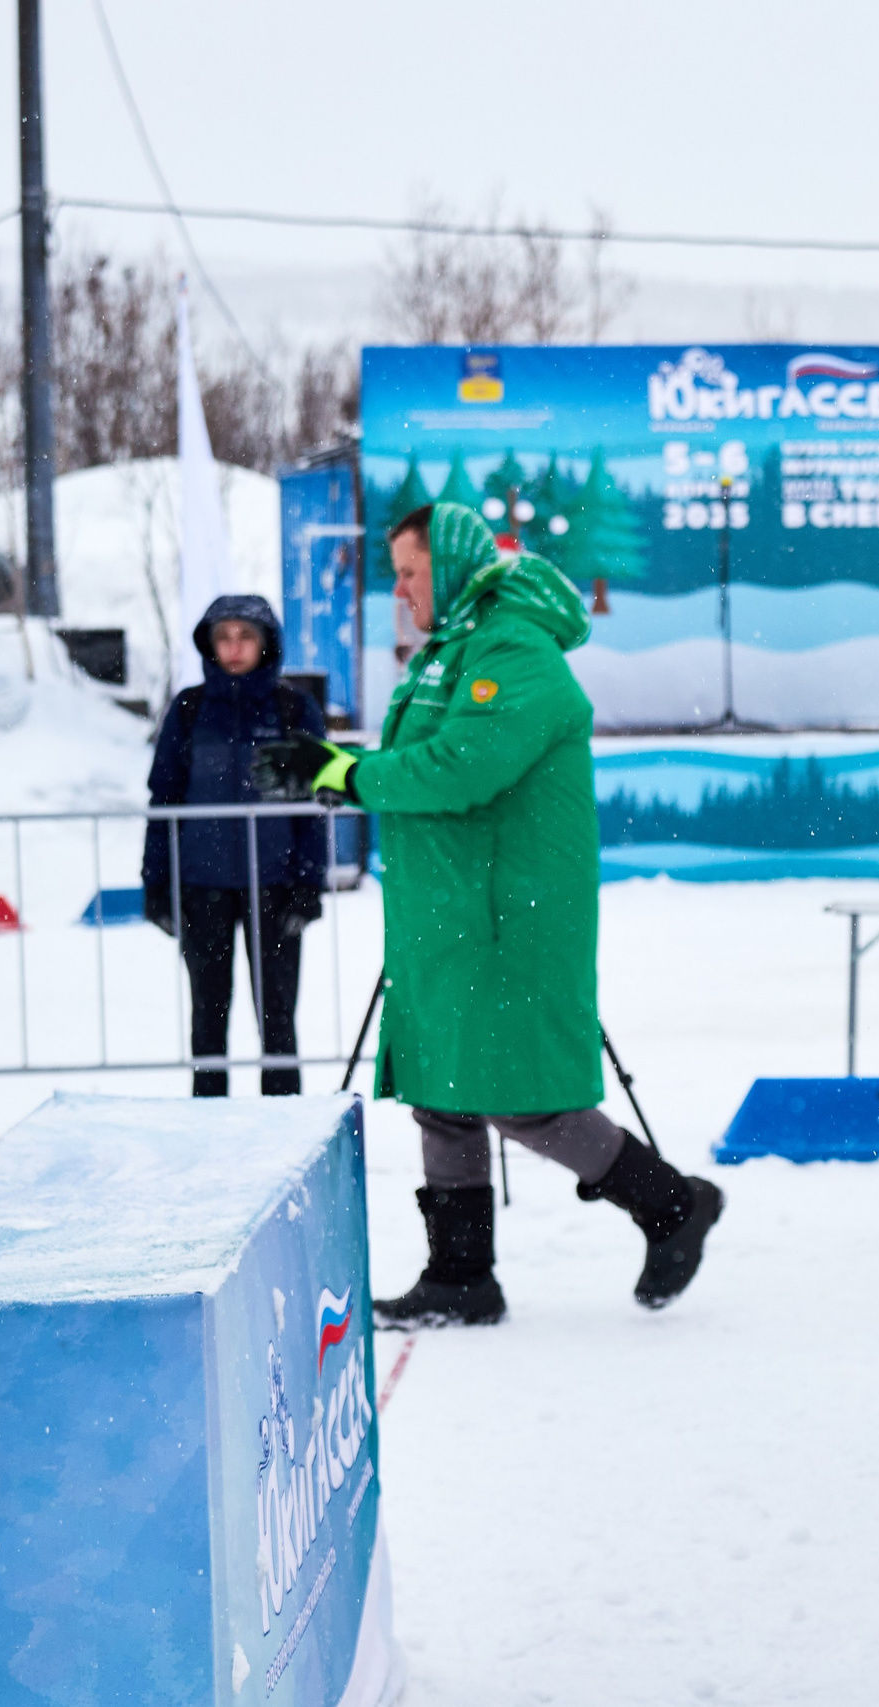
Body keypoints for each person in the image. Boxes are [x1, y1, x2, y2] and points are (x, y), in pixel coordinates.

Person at [257, 501, 722, 1325]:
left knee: (519, 1094)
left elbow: (461, 767)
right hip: (455, 911)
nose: (399, 591)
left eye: (409, 571)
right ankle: (461, 1275)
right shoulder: (453, 649)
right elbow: (421, 760)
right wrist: (339, 765)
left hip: (510, 914)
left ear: (451, 560)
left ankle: (671, 1204)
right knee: (442, 1088)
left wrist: (343, 775)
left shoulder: (513, 647)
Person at [143, 594, 327, 1097]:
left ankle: (284, 1120)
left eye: (246, 636)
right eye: (224, 636)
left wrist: (310, 884)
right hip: (203, 883)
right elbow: (164, 799)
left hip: (277, 883)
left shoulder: (294, 709)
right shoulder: (189, 708)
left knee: (278, 1017)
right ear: (209, 644)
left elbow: (315, 802)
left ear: (267, 644)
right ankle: (209, 1123)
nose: (234, 647)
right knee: (207, 1014)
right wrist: (156, 883)